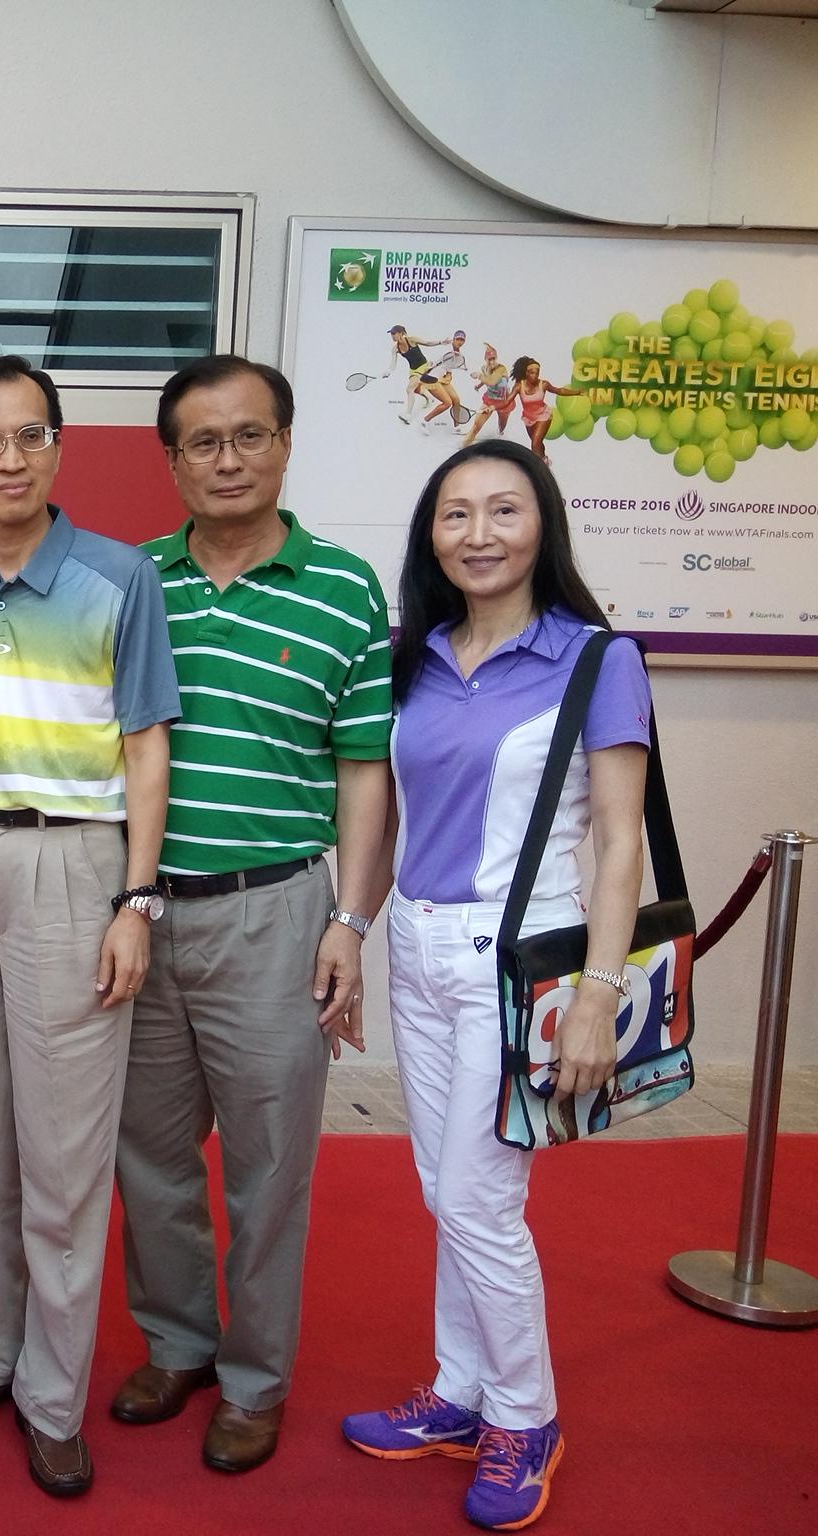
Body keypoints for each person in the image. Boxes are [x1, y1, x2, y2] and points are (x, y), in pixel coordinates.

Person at [340, 439, 649, 1531]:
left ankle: (524, 1415)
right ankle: (460, 1391)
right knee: (445, 1188)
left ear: (541, 525)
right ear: (429, 534)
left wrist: (601, 995)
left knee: (477, 1197)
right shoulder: (411, 656)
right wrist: (354, 929)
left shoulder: (594, 658)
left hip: (520, 963)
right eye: (454, 514)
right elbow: (385, 814)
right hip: (417, 949)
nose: (477, 533)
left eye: (502, 510)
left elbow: (617, 842)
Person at [111, 355, 390, 1475]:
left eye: (248, 436)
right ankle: (176, 1342)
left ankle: (255, 1379)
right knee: (148, 1154)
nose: (226, 460)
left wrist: (351, 922)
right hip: (139, 914)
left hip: (275, 914)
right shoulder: (131, 581)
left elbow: (362, 770)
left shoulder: (347, 589)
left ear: (284, 443)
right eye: (200, 442)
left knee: (270, 1166)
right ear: (169, 458)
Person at [0, 356, 178, 1499]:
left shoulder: (119, 581)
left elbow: (143, 749)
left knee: (64, 1155)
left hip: (76, 865)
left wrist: (135, 896)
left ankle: (52, 1397)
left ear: (58, 450)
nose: (8, 458)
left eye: (29, 436)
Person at [509, 356, 583, 461]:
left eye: (537, 372)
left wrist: (577, 392)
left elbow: (559, 391)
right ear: (526, 373)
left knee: (535, 444)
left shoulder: (543, 384)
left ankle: (539, 469)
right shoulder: (519, 386)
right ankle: (544, 459)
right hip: (529, 418)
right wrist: (491, 407)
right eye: (531, 372)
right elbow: (507, 400)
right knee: (538, 444)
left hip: (543, 415)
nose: (535, 375)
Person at [464, 344, 518, 444]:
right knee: (476, 426)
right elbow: (487, 378)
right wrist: (479, 385)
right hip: (490, 399)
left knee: (502, 425)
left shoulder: (501, 369)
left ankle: (500, 434)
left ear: (496, 358)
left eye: (494, 358)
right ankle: (464, 446)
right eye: (489, 359)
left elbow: (492, 382)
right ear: (485, 359)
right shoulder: (484, 368)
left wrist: (478, 376)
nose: (492, 361)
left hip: (504, 402)